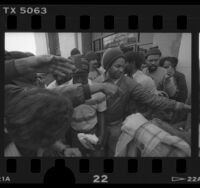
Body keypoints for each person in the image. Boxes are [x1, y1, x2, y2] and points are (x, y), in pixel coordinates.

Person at [95, 47, 191, 156]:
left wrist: (180, 105)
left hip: (116, 128)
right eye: (117, 66)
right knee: (98, 152)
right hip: (97, 126)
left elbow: (152, 99)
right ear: (107, 66)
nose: (121, 70)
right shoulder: (97, 82)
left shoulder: (129, 83)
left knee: (115, 153)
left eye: (123, 66)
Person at [64, 55, 107, 157]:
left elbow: (101, 114)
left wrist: (101, 135)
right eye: (76, 76)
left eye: (83, 76)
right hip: (75, 133)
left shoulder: (98, 89)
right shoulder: (65, 91)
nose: (79, 80)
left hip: (93, 132)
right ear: (71, 74)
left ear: (88, 73)